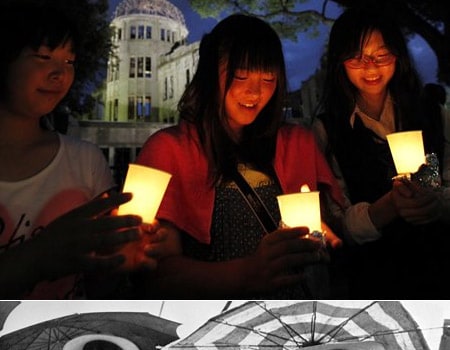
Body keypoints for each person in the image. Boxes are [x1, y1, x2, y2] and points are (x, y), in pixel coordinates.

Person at [134, 14, 356, 300]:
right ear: (211, 72)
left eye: (268, 78)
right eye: (241, 75)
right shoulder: (168, 149)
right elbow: (154, 274)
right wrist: (247, 273)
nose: (255, 92)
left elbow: (331, 222)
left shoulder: (296, 142)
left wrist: (319, 233)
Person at [0, 1, 170, 299]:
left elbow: (95, 289)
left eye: (69, 62)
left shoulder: (86, 160)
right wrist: (36, 258)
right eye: (43, 56)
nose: (60, 73)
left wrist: (117, 262)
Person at [312, 5, 450, 297]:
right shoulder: (328, 132)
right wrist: (388, 207)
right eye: (356, 57)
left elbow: (446, 177)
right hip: (377, 279)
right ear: (339, 62)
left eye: (381, 55)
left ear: (398, 55)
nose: (371, 67)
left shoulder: (433, 114)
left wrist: (438, 203)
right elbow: (339, 219)